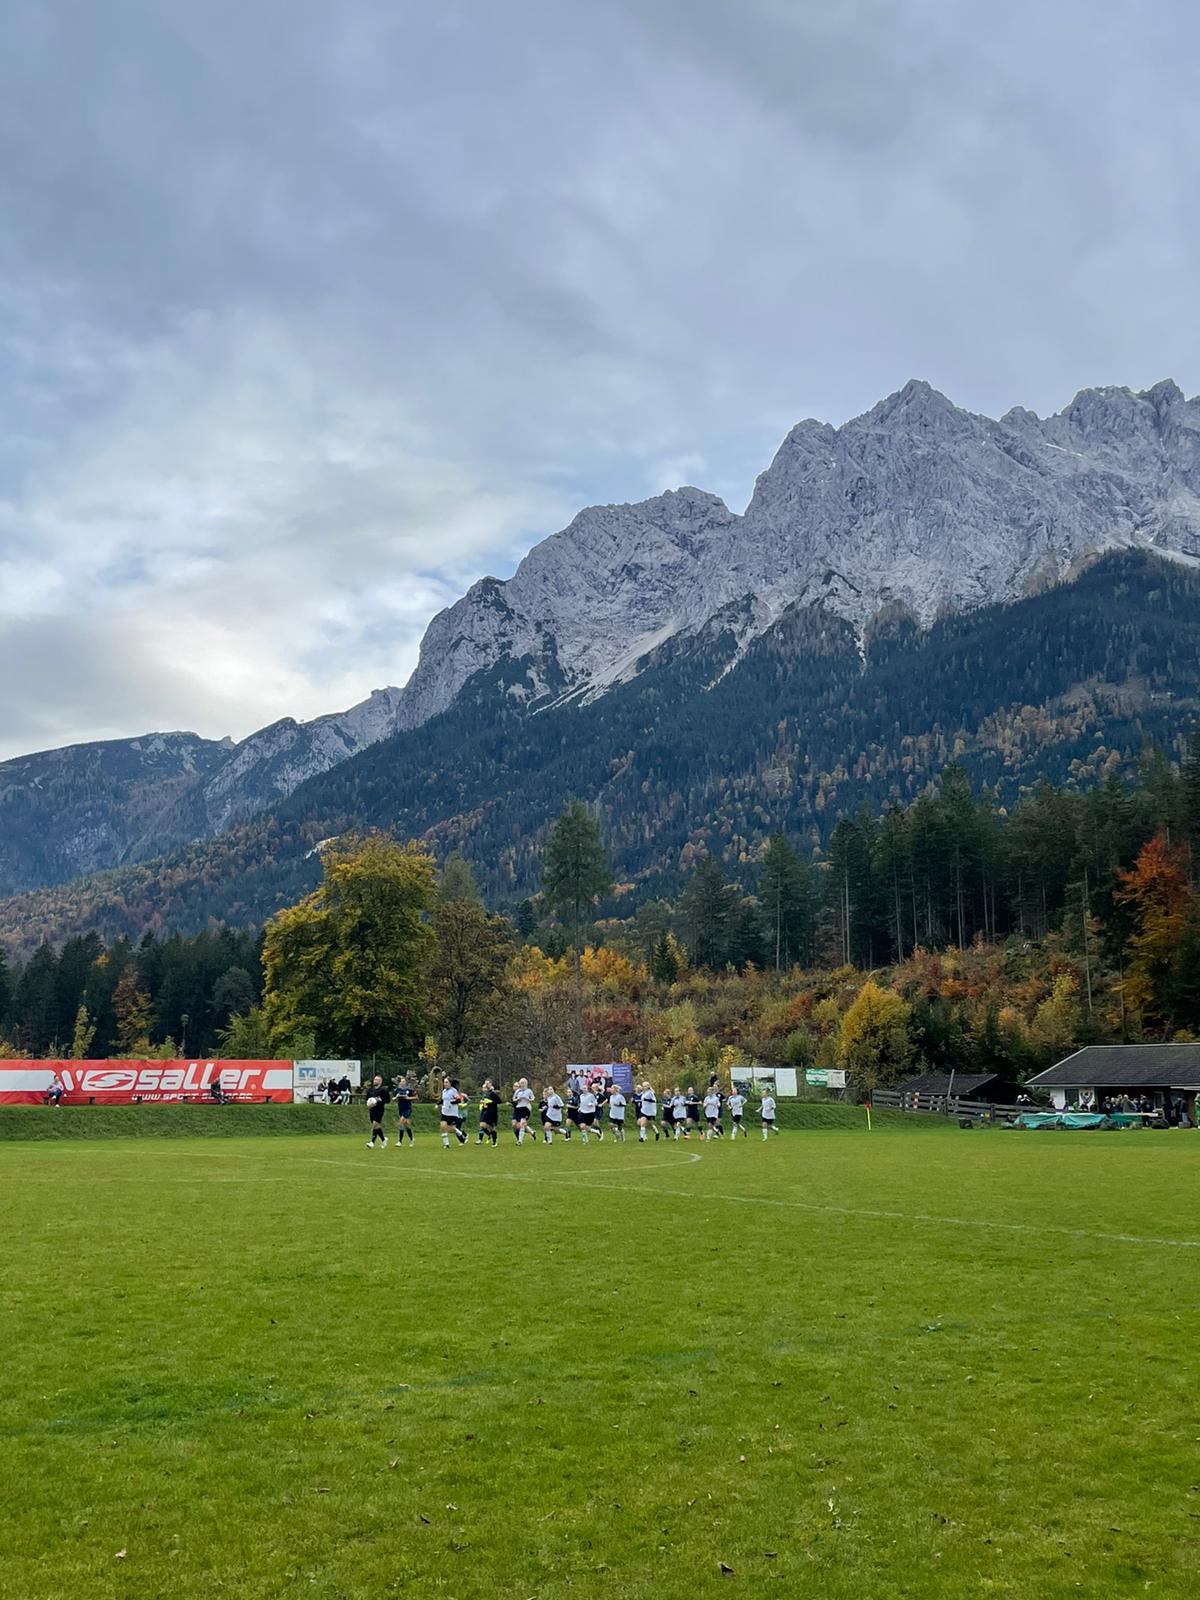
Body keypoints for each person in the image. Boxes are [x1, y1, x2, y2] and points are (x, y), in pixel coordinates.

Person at [440, 1079, 468, 1147]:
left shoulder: (453, 1091)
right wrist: (437, 1104)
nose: (445, 1084)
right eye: (444, 1082)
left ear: (450, 1083)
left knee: (450, 1129)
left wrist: (451, 1103)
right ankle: (446, 1144)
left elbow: (459, 1100)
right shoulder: (444, 1091)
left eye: (447, 1082)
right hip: (444, 1112)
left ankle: (460, 1133)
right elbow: (443, 1100)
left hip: (452, 1114)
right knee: (443, 1126)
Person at [366, 1076, 390, 1148]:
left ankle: (372, 1143)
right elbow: (367, 1099)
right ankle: (383, 1140)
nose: (375, 1081)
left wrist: (380, 1101)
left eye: (377, 1080)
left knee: (374, 1124)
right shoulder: (370, 1090)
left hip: (379, 1110)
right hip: (372, 1110)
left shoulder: (383, 1090)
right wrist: (369, 1104)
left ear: (380, 1081)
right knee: (377, 1126)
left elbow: (388, 1100)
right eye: (374, 1079)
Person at [476, 1079, 501, 1146]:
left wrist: (491, 1102)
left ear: (490, 1084)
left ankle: (494, 1141)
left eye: (487, 1083)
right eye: (485, 1083)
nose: (486, 1085)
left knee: (491, 1127)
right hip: (484, 1111)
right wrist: (482, 1102)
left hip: (492, 1112)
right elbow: (484, 1101)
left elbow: (499, 1101)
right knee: (482, 1125)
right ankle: (490, 1135)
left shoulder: (493, 1093)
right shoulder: (485, 1093)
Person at [511, 1078, 535, 1145]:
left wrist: (528, 1099)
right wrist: (517, 1099)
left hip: (526, 1109)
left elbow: (533, 1098)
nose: (522, 1084)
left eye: (523, 1083)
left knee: (522, 1124)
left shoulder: (529, 1091)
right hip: (518, 1108)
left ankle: (520, 1141)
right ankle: (531, 1132)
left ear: (526, 1083)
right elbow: (514, 1099)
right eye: (521, 1083)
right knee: (514, 1125)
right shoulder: (518, 1091)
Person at [393, 1078, 416, 1144]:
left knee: (401, 1121)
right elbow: (393, 1099)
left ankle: (399, 1141)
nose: (403, 1083)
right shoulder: (397, 1090)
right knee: (406, 1124)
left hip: (407, 1108)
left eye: (404, 1081)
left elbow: (416, 1097)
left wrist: (408, 1098)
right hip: (401, 1109)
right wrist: (396, 1097)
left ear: (405, 1082)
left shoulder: (409, 1090)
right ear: (400, 1083)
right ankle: (412, 1139)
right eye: (402, 1081)